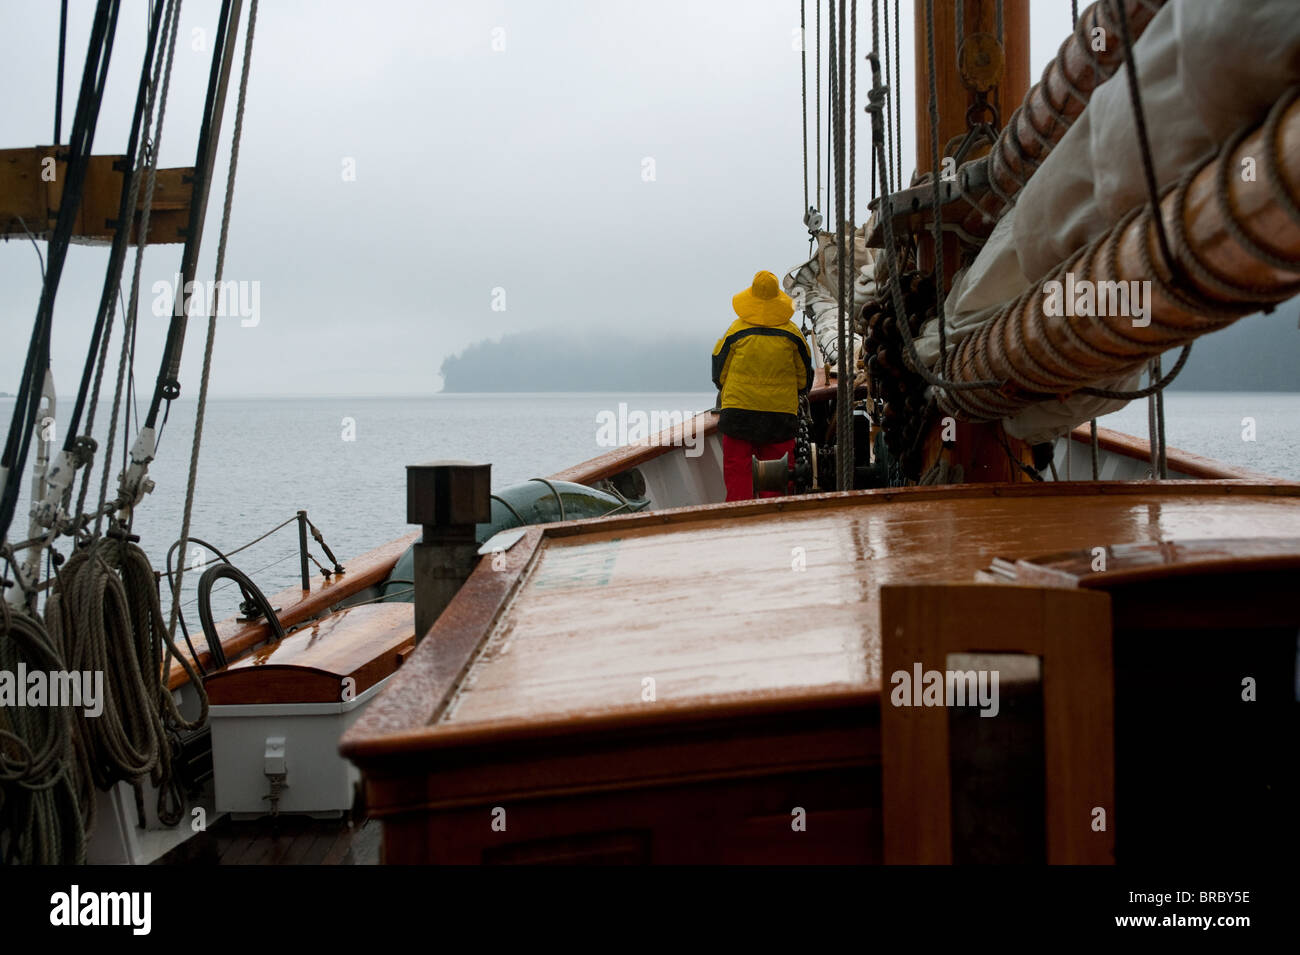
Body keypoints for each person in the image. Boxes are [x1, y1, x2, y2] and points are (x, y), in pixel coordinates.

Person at [711, 270, 814, 502]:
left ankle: (740, 518)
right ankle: (773, 520)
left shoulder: (735, 332)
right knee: (777, 477)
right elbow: (804, 380)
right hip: (779, 417)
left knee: (738, 472)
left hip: (738, 415)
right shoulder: (793, 335)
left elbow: (719, 373)